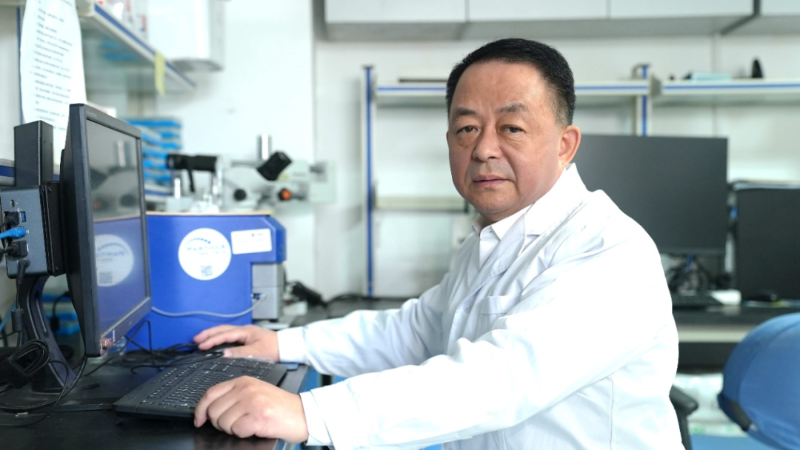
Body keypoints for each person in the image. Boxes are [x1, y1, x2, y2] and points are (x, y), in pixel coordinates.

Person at [193, 38, 683, 449]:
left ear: (564, 144)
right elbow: (417, 330)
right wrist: (285, 342)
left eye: (512, 128)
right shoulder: (491, 239)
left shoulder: (609, 250)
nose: (484, 149)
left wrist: (310, 413)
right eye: (467, 129)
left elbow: (503, 377)